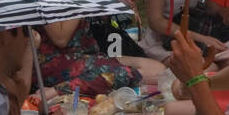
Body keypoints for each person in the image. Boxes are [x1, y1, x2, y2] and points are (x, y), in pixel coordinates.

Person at [36, 18, 164, 95]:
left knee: (157, 69)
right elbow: (60, 38)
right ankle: (55, 92)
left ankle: (70, 88)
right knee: (150, 74)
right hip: (57, 62)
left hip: (86, 55)